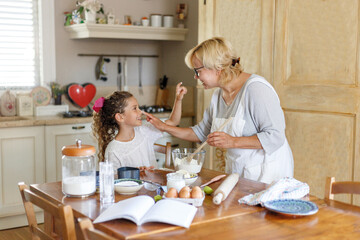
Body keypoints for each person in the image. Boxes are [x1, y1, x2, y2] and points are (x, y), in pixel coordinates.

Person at [144, 37, 293, 184]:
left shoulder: (256, 89)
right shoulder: (218, 95)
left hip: (268, 173)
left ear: (216, 68)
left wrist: (232, 141)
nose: (195, 77)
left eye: (197, 71)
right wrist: (164, 127)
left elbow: (275, 136)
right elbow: (201, 133)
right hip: (241, 172)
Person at [92, 82, 187, 171]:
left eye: (138, 107)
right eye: (134, 108)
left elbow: (173, 122)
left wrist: (178, 99)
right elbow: (114, 182)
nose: (140, 111)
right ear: (120, 117)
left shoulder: (145, 131)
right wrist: (137, 175)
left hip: (155, 187)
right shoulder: (113, 150)